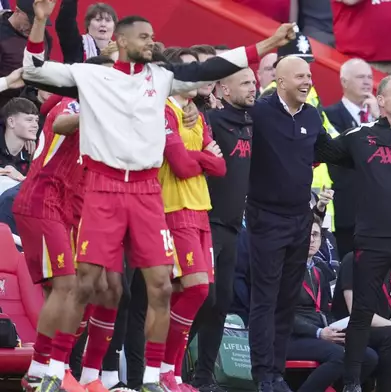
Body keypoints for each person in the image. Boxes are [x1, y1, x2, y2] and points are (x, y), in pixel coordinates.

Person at [22, 1, 296, 391]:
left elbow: (210, 68)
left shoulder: (162, 76)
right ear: (120, 40)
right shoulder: (91, 75)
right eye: (144, 36)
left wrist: (267, 42)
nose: (151, 42)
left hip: (147, 191)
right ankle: (53, 371)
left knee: (163, 286)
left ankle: (153, 379)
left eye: (153, 35)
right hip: (104, 186)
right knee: (86, 283)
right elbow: (34, 69)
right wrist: (39, 21)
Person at [312, 75, 391, 392]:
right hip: (371, 241)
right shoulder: (360, 135)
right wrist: (310, 113)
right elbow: (326, 149)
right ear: (380, 100)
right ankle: (353, 383)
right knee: (361, 313)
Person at [12, 54, 118, 392]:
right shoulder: (74, 103)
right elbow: (60, 125)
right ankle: (42, 370)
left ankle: (80, 373)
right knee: (66, 286)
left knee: (97, 288)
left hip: (74, 209)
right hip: (43, 201)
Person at [244, 55, 345, 392]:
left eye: (310, 76)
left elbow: (325, 151)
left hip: (300, 219)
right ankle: (262, 374)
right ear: (280, 81)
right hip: (265, 218)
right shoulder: (258, 112)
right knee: (266, 298)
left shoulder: (314, 116)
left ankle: (276, 372)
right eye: (300, 76)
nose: (307, 81)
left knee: (287, 299)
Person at [157, 47, 228, 391]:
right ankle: (161, 368)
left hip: (201, 210)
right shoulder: (164, 112)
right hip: (173, 208)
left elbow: (221, 166)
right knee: (195, 289)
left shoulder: (196, 116)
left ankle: (168, 372)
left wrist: (195, 157)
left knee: (196, 293)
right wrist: (202, 156)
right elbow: (182, 166)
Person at [190, 67, 257, 392]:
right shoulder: (211, 122)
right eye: (245, 83)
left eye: (254, 82)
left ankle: (202, 379)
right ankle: (168, 369)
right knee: (203, 297)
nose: (253, 87)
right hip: (205, 221)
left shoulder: (252, 124)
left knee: (222, 304)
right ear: (224, 91)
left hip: (232, 227)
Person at [288, 217, 379, 392]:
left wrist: (335, 328)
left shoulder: (319, 271)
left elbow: (323, 310)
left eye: (315, 234)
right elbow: (284, 315)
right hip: (291, 337)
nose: (312, 239)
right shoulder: (286, 270)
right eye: (306, 235)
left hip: (319, 334)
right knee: (338, 355)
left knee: (369, 356)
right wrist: (319, 332)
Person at [324, 58, 378, 259]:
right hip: (346, 210)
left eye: (369, 77)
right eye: (360, 77)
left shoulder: (381, 117)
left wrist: (378, 119)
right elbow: (346, 151)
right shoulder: (328, 115)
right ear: (344, 82)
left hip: (378, 213)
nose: (367, 82)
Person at [331, 252, 391, 392]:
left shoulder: (390, 265)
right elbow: (357, 313)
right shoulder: (353, 260)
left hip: (380, 328)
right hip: (348, 327)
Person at [0, 0, 52, 107]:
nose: (34, 27)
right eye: (31, 21)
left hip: (34, 110)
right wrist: (8, 81)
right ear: (18, 11)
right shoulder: (2, 35)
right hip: (5, 110)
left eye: (39, 22)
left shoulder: (43, 35)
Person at [0, 97, 39, 179]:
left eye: (36, 120)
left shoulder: (32, 152)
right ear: (11, 122)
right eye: (29, 120)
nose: (35, 125)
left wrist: (21, 179)